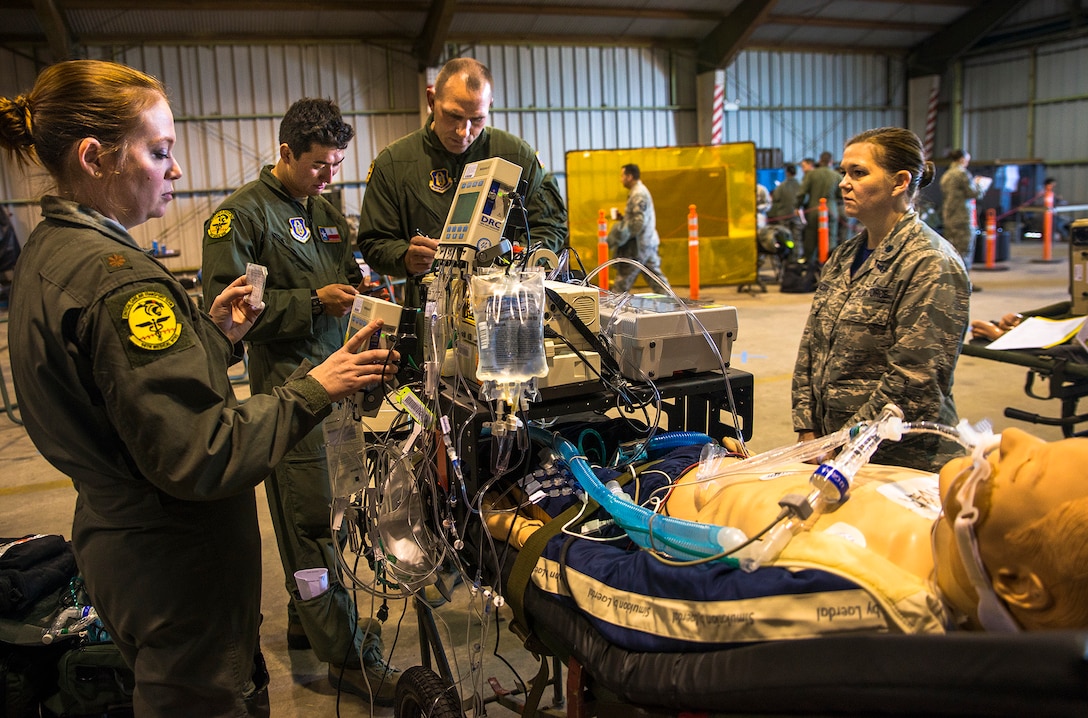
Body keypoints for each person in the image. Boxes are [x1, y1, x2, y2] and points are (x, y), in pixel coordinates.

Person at [0, 59, 399, 716]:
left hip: (127, 536)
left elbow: (122, 392)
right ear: (95, 157)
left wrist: (213, 337)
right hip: (173, 557)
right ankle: (341, 643)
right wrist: (316, 386)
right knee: (303, 540)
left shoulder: (48, 254)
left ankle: (316, 620)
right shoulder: (123, 278)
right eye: (159, 152)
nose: (176, 170)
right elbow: (199, 450)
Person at [200, 98, 399, 703]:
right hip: (291, 398)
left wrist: (362, 289)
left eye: (337, 164)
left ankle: (305, 623)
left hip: (338, 393)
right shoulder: (239, 219)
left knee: (331, 517)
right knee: (310, 526)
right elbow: (229, 323)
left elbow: (346, 270)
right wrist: (315, 302)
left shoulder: (325, 210)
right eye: (318, 165)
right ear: (284, 153)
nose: (330, 175)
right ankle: (345, 657)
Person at [664, 426, 1088, 632]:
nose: (1014, 437)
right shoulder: (953, 516)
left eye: (1028, 467)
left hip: (657, 494)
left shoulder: (866, 591)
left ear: (1017, 585)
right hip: (722, 462)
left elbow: (665, 599)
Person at [792, 127, 970, 472]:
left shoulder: (929, 262)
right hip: (836, 457)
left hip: (901, 463)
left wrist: (839, 444)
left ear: (900, 182)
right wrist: (807, 428)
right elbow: (811, 347)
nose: (844, 182)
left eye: (858, 173)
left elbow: (916, 382)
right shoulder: (845, 256)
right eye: (844, 172)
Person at [357, 56, 568, 313]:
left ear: (489, 106)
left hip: (507, 310)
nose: (463, 131)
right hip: (431, 313)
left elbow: (551, 224)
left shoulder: (517, 156)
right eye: (453, 116)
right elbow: (374, 241)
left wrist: (516, 258)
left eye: (477, 119)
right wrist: (405, 257)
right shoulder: (394, 163)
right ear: (431, 100)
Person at [606, 163, 669, 293]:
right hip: (646, 242)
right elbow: (637, 219)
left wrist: (622, 233)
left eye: (622, 175)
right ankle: (674, 304)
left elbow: (638, 222)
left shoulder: (638, 194)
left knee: (622, 282)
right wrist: (623, 219)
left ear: (629, 176)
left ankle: (612, 310)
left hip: (638, 246)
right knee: (657, 280)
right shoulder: (637, 192)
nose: (620, 179)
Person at [939, 149, 990, 272]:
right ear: (962, 159)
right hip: (963, 217)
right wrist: (980, 185)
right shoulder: (962, 173)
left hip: (949, 217)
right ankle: (964, 283)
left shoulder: (946, 175)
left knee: (951, 250)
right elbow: (974, 193)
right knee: (965, 249)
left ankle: (951, 281)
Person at [795, 152, 841, 264]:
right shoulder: (836, 176)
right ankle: (830, 266)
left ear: (820, 161)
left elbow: (802, 193)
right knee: (831, 239)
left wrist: (797, 206)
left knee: (811, 239)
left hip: (814, 210)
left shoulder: (811, 175)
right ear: (831, 162)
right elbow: (841, 195)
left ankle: (811, 267)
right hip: (831, 210)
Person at [767, 162, 802, 255]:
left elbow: (776, 198)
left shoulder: (781, 186)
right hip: (796, 216)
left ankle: (787, 256)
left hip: (783, 216)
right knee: (797, 237)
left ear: (787, 172)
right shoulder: (800, 185)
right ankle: (796, 256)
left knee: (786, 237)